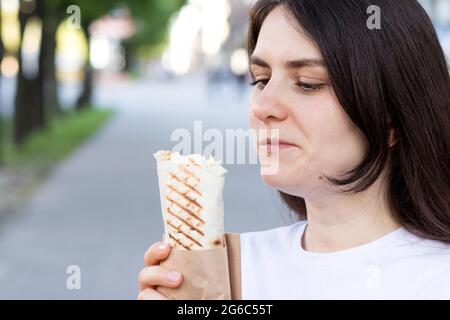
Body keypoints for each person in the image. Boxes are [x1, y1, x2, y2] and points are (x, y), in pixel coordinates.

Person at [138, 0, 450, 300]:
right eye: (261, 80)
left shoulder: (436, 281)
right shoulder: (229, 271)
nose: (263, 107)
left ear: (391, 118)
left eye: (307, 83)